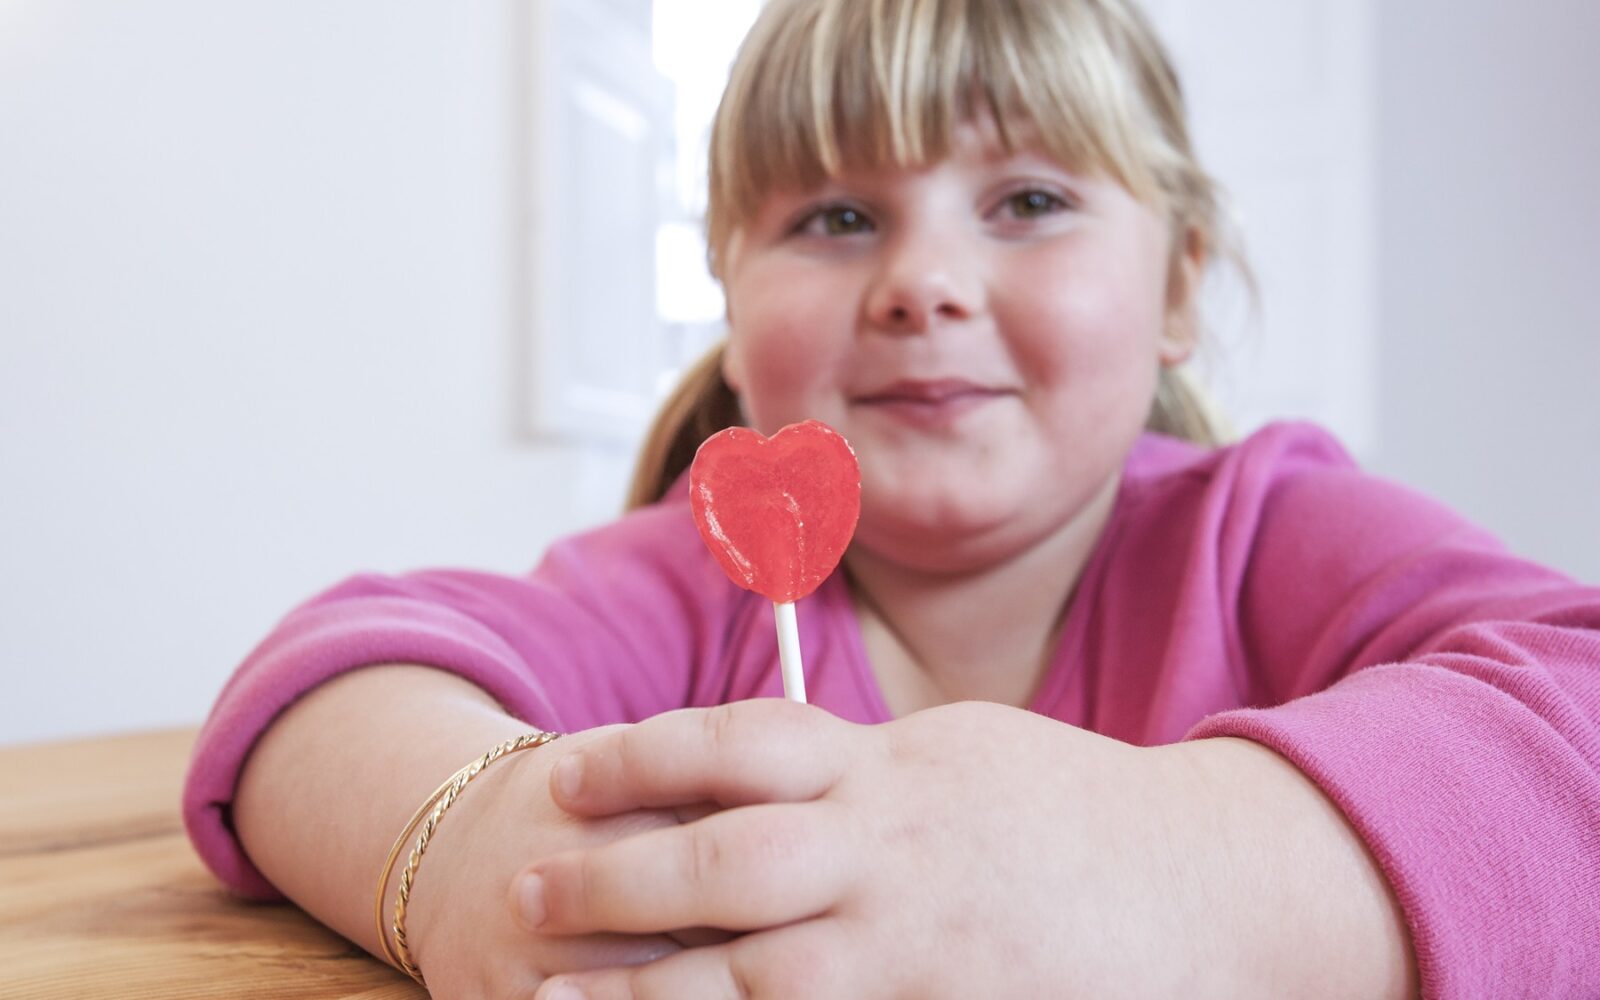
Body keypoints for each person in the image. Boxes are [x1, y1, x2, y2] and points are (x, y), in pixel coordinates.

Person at [183, 0, 1600, 996]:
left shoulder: (1268, 534)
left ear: (1176, 285)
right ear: (733, 312)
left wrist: (1177, 874)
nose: (921, 280)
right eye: (836, 217)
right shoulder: (684, 588)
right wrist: (465, 853)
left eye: (1030, 201)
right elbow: (323, 686)